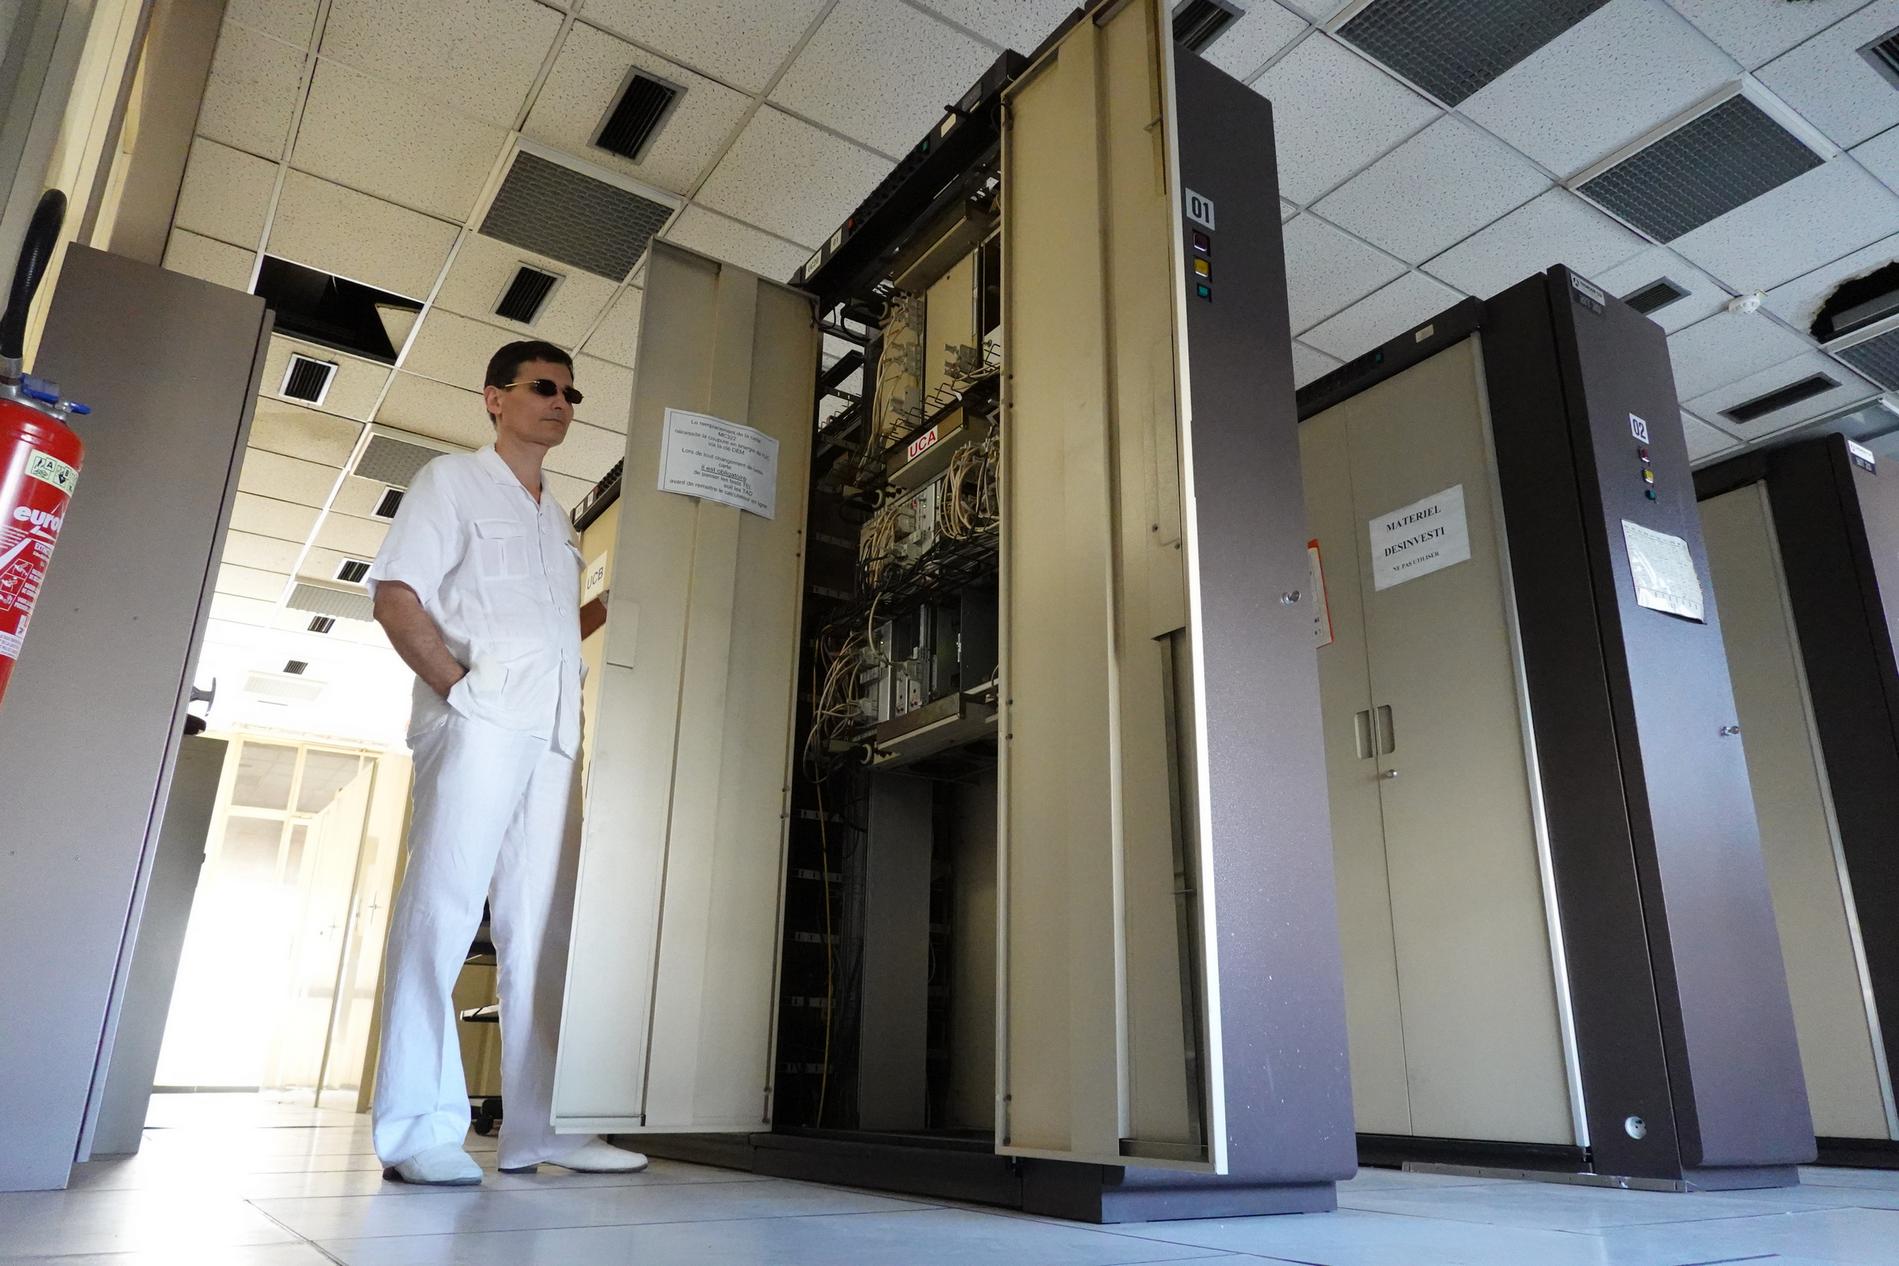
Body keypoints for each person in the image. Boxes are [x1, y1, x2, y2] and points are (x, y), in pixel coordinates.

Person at [365, 339, 641, 1184]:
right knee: (442, 912)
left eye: (571, 393)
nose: (560, 403)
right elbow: (395, 595)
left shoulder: (557, 517)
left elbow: (548, 628)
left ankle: (540, 1130)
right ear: (495, 397)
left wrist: (611, 606)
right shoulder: (451, 481)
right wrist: (458, 689)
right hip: (478, 721)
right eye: (543, 387)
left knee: (544, 928)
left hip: (552, 732)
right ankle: (418, 1132)